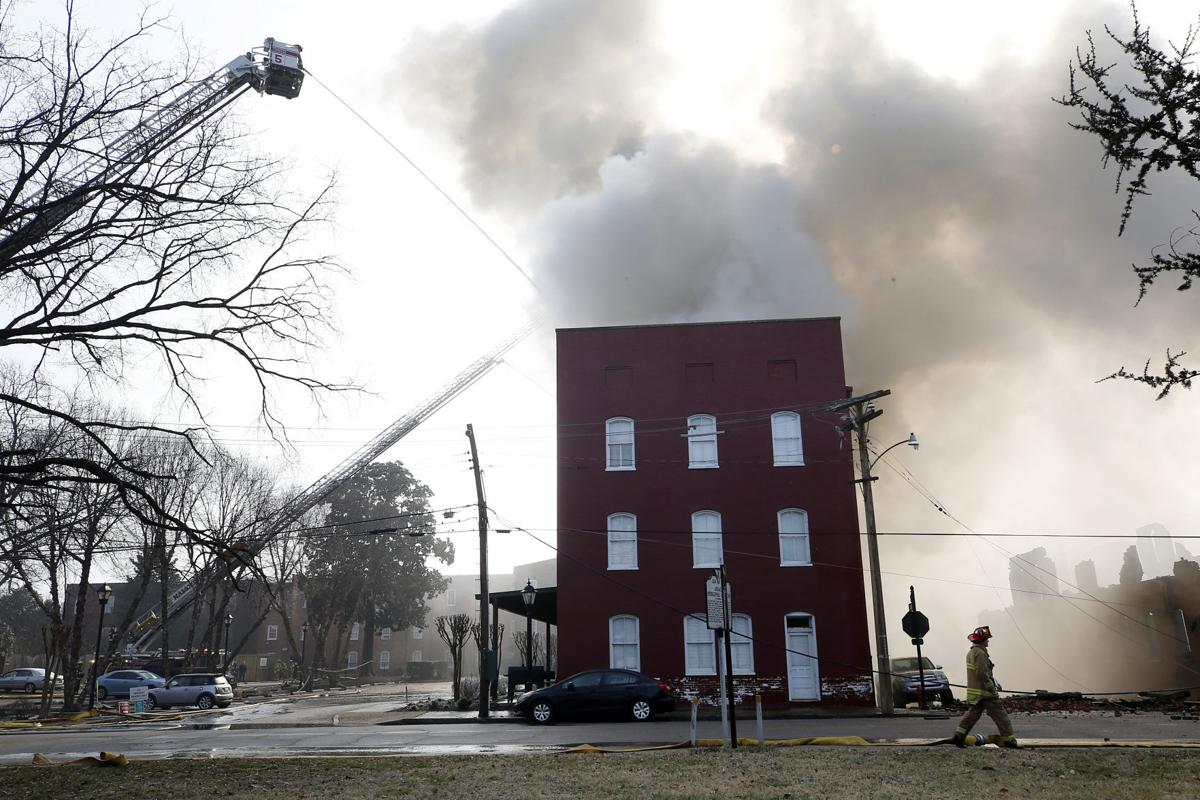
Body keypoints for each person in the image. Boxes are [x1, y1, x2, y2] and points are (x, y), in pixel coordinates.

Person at [951, 625, 1018, 748]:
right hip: (984, 692)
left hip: (977, 693)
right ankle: (1009, 741)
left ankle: (958, 737)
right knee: (1000, 715)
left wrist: (995, 682)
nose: (988, 641)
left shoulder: (972, 652)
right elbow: (982, 673)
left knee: (972, 715)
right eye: (986, 639)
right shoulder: (980, 653)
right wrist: (991, 688)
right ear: (982, 640)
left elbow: (984, 672)